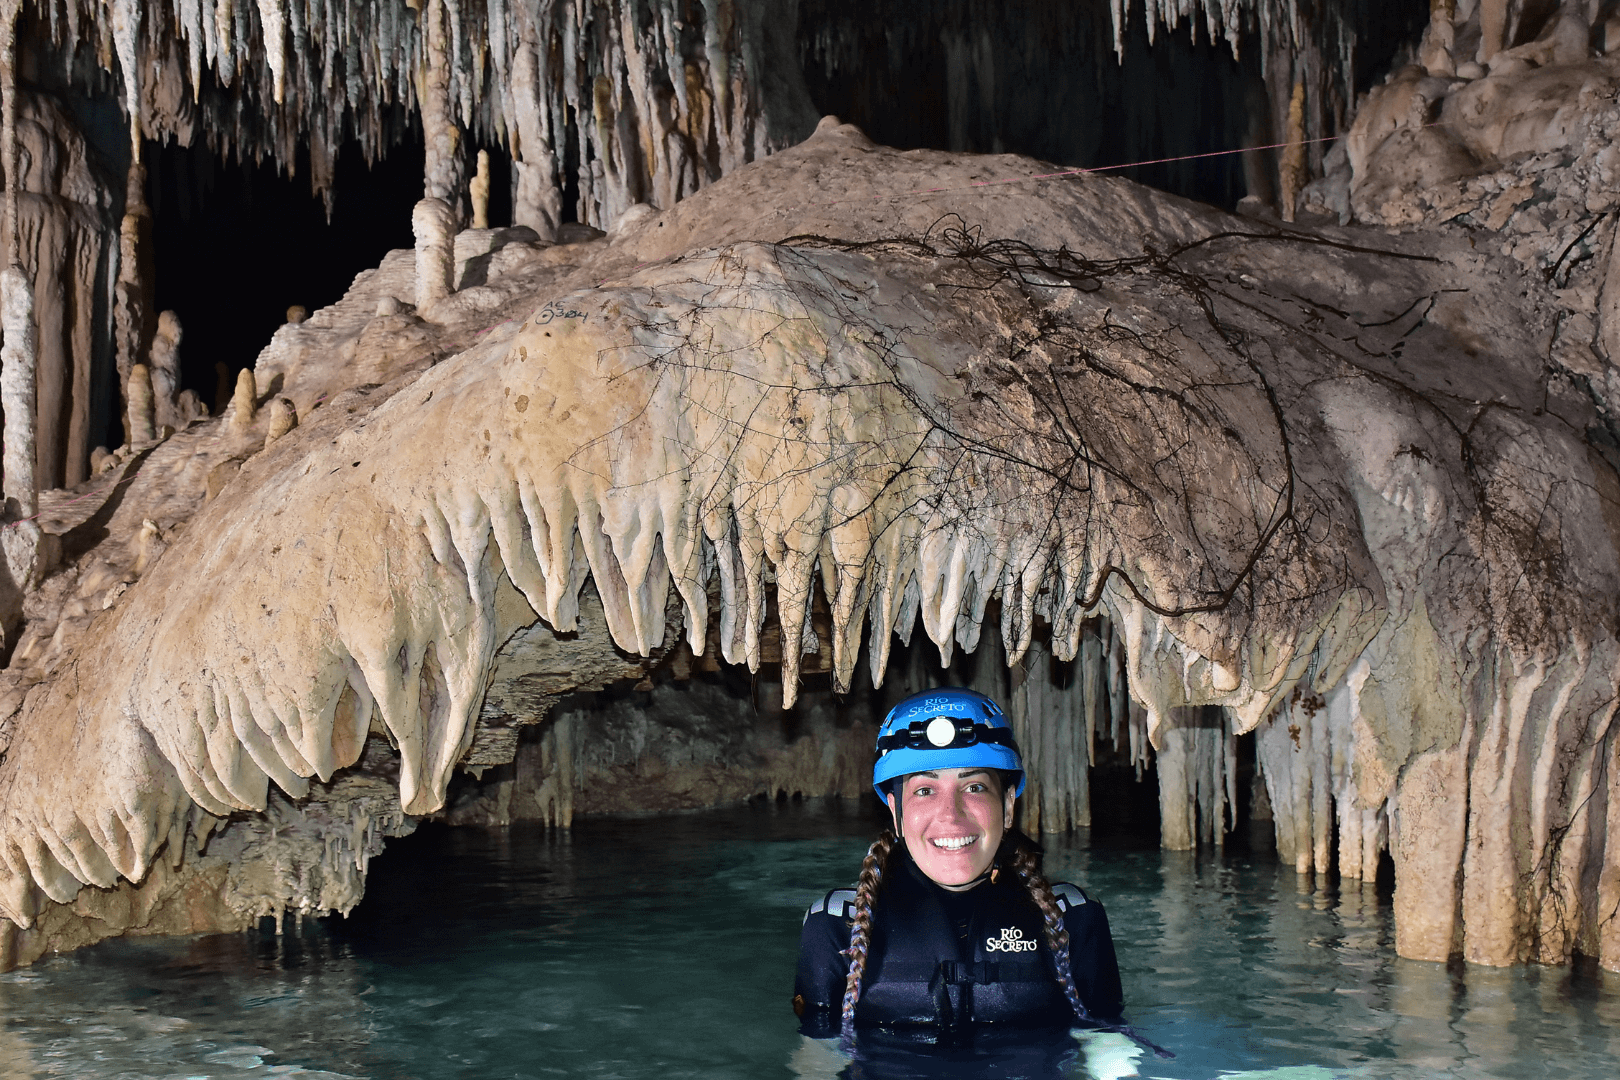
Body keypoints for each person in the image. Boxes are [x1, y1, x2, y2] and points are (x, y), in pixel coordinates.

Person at [792, 687, 1128, 1047]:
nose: (952, 815)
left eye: (974, 787)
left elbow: (1109, 1052)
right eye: (924, 790)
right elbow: (818, 1060)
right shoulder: (838, 926)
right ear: (896, 811)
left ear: (1009, 804)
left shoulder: (1072, 919)